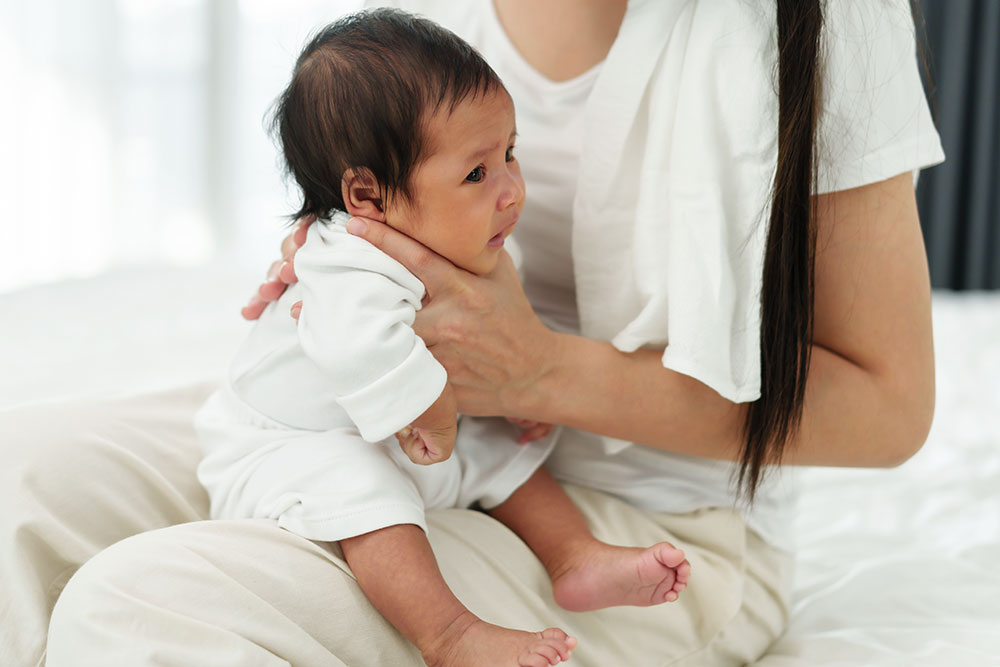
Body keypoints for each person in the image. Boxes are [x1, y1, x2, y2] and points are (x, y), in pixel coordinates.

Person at [0, 0, 942, 665]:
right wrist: (334, 240)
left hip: (649, 505)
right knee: (16, 476)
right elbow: (372, 187)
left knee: (139, 603)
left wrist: (539, 376)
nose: (512, 187)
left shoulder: (825, 20)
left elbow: (889, 409)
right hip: (380, 421)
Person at [196, 9, 689, 666]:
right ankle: (449, 634)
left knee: (503, 448)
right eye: (477, 173)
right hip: (288, 444)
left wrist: (520, 396)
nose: (512, 190)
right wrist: (427, 405)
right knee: (362, 490)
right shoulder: (351, 257)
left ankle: (577, 555)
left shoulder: (463, 240)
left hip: (397, 436)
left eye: (510, 153)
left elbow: (500, 340)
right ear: (366, 195)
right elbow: (357, 344)